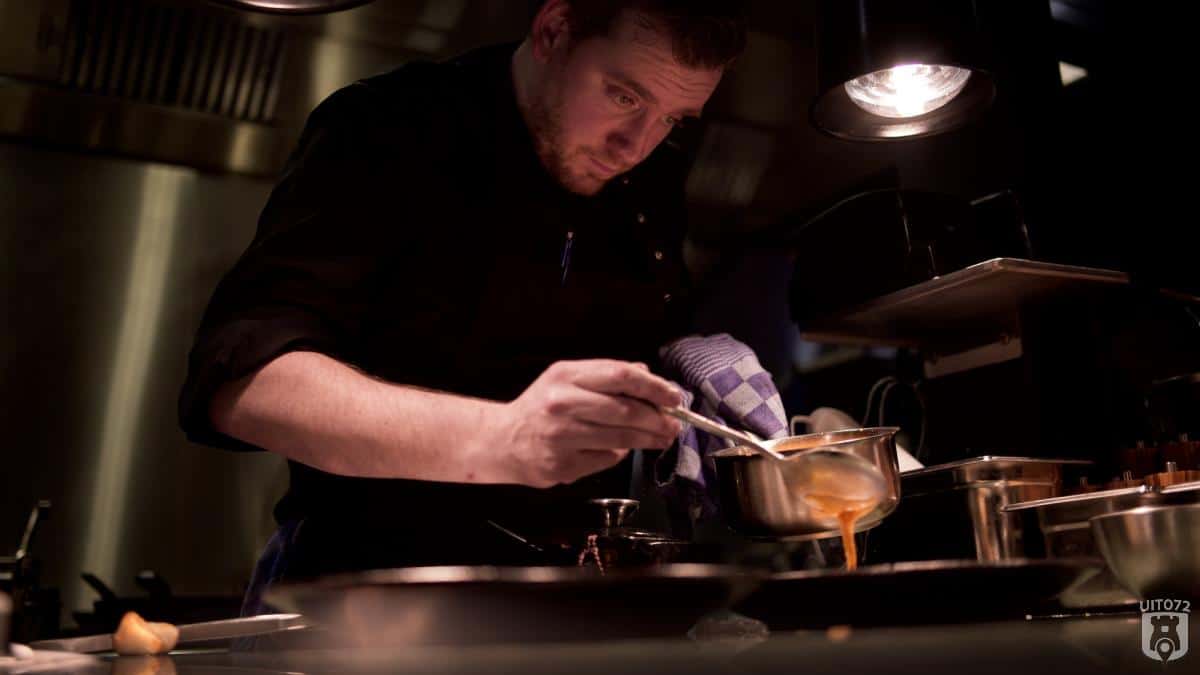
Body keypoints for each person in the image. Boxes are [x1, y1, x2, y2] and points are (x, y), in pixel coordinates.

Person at [178, 0, 749, 600]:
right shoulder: (389, 128)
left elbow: (639, 334)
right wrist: (503, 437)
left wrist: (690, 363)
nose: (636, 145)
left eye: (672, 119)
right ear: (553, 31)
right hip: (368, 595)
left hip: (566, 600)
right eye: (624, 96)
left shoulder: (652, 178)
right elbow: (247, 388)